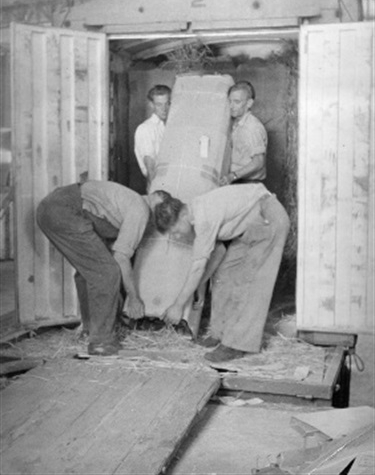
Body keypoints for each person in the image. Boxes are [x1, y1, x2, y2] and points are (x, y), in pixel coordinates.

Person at [153, 183, 290, 363]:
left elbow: (198, 267)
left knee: (249, 282)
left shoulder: (203, 218)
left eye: (176, 231)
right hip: (249, 228)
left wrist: (178, 305)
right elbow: (217, 254)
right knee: (223, 275)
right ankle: (220, 333)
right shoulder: (197, 211)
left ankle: (235, 344)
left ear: (184, 215)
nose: (178, 236)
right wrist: (200, 285)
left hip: (268, 218)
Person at [37, 180, 170, 356]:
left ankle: (91, 329)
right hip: (67, 209)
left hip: (50, 208)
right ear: (157, 198)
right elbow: (121, 259)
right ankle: (101, 342)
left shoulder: (127, 203)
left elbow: (114, 254)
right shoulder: (141, 208)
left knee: (90, 272)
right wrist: (134, 298)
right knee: (106, 273)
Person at [220, 81, 267, 186]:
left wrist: (232, 176)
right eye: (230, 101)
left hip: (248, 183)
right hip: (237, 180)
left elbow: (258, 162)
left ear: (249, 103)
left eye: (236, 102)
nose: (231, 106)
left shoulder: (253, 127)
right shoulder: (236, 123)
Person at [134, 84, 171, 188]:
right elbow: (150, 168)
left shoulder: (166, 127)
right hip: (158, 185)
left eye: (167, 104)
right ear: (151, 105)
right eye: (159, 104)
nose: (164, 109)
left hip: (171, 182)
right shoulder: (146, 128)